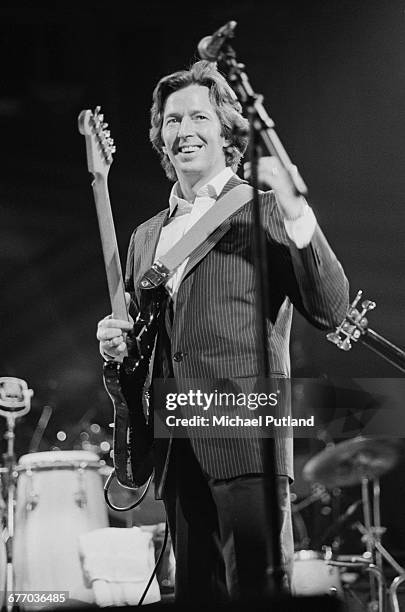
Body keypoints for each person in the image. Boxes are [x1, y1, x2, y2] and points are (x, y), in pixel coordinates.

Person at [97, 60, 349, 603]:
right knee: (196, 595)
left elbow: (330, 309)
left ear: (225, 129)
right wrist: (121, 346)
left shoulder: (262, 211)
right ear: (160, 138)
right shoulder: (145, 236)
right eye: (171, 121)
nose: (183, 130)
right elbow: (153, 343)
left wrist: (294, 207)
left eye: (198, 117)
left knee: (257, 593)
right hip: (176, 439)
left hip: (244, 431)